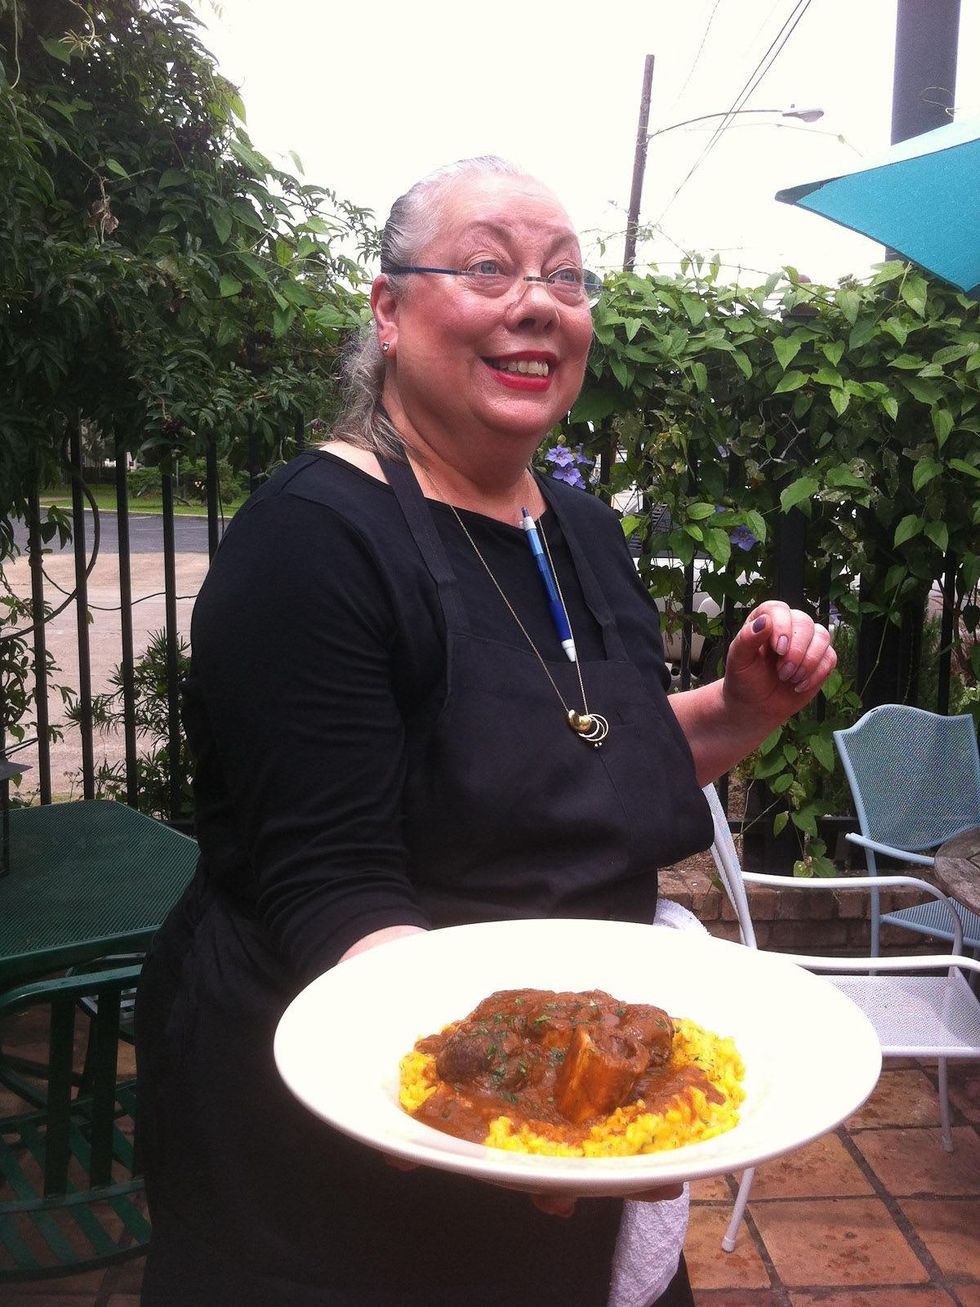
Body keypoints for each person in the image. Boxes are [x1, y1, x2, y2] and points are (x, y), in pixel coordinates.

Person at [135, 156, 836, 1307]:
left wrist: (739, 706)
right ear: (389, 308)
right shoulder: (312, 540)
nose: (537, 301)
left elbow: (592, 752)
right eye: (486, 265)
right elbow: (332, 880)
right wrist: (508, 1117)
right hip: (343, 1117)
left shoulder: (576, 525)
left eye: (566, 275)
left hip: (566, 1076)